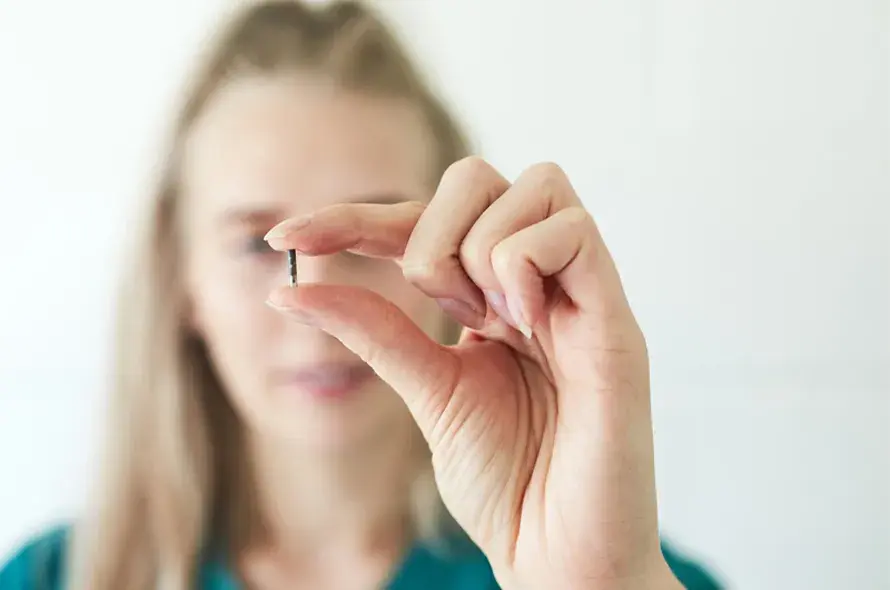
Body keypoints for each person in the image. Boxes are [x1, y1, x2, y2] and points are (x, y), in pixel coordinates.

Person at [0, 1, 723, 589]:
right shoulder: (50, 579)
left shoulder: (629, 568)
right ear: (180, 281)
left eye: (372, 239)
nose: (323, 315)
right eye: (256, 245)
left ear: (463, 252)